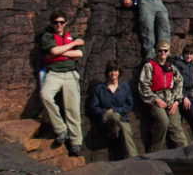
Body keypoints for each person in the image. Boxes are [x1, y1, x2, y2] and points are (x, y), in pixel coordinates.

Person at [40, 11, 84, 156]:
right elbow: (53, 49)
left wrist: (58, 53)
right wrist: (72, 45)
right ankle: (61, 130)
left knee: (73, 109)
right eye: (56, 22)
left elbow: (79, 54)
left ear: (65, 23)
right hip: (54, 73)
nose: (58, 25)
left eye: (61, 22)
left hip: (70, 74)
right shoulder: (47, 36)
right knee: (45, 95)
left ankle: (76, 142)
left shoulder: (73, 35)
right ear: (51, 23)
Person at [138, 41, 188, 152]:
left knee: (175, 126)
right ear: (156, 51)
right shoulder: (149, 66)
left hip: (170, 100)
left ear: (168, 52)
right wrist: (155, 99)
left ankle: (185, 150)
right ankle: (154, 151)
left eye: (165, 51)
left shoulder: (170, 67)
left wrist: (176, 101)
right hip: (155, 100)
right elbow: (143, 86)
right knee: (163, 122)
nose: (162, 53)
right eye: (160, 50)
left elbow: (179, 82)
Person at [89, 60, 138, 159]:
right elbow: (94, 107)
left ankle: (134, 158)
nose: (113, 73)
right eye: (110, 71)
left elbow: (129, 105)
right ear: (107, 72)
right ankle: (113, 133)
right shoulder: (100, 88)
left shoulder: (124, 87)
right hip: (106, 119)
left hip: (121, 118)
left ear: (119, 72)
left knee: (126, 131)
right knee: (114, 116)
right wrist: (106, 112)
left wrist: (115, 110)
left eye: (115, 70)